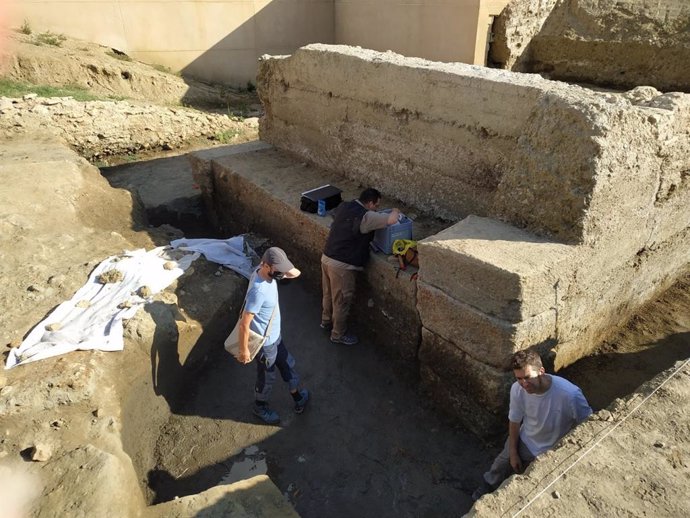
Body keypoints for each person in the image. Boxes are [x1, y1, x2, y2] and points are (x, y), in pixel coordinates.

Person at [472, 350, 592, 500]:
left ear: (541, 371)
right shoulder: (517, 389)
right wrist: (513, 453)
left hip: (551, 451)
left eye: (527, 377)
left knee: (526, 486)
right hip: (526, 439)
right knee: (500, 464)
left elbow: (588, 424)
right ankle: (487, 486)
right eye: (519, 378)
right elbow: (514, 421)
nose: (523, 383)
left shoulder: (570, 395)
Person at [236, 247, 309, 424]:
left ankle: (298, 397)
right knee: (267, 377)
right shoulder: (258, 291)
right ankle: (259, 407)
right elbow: (245, 323)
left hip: (275, 338)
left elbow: (295, 273)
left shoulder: (266, 272)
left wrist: (284, 269)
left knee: (287, 365)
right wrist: (244, 350)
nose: (283, 272)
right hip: (264, 344)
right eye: (279, 268)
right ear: (267, 266)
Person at [321, 188, 400, 345]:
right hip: (343, 266)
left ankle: (325, 321)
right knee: (342, 301)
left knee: (328, 294)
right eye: (376, 205)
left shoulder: (345, 206)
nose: (377, 208)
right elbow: (392, 220)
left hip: (326, 257)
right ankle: (337, 334)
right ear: (370, 203)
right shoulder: (367, 216)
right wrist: (395, 209)